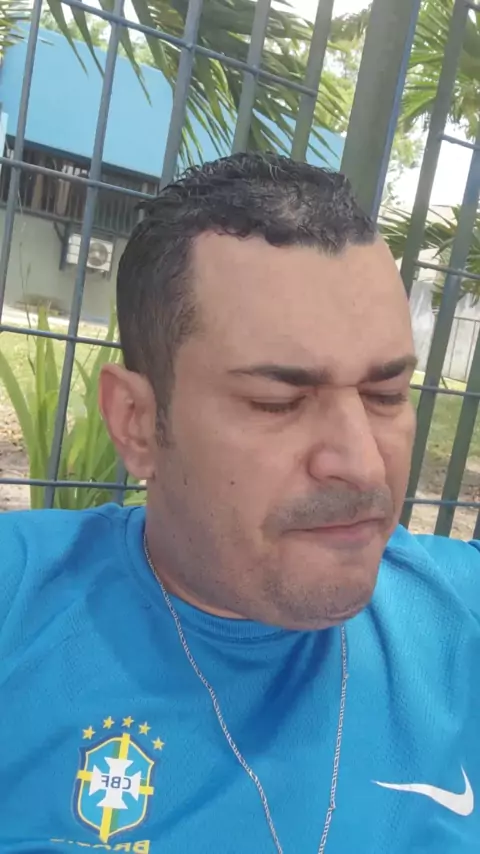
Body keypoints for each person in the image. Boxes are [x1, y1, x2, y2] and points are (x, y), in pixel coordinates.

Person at [0, 153, 478, 854]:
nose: (362, 464)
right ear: (136, 422)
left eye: (385, 395)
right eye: (277, 401)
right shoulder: (20, 607)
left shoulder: (460, 617)